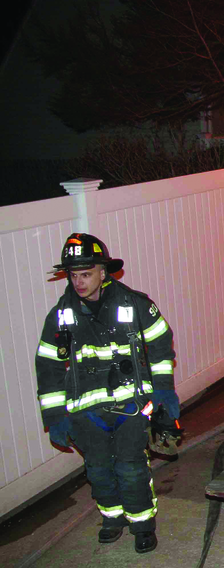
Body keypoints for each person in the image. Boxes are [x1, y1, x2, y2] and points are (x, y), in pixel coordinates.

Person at [35, 233, 179, 554]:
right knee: (98, 468)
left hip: (131, 406)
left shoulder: (135, 304)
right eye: (73, 275)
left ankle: (142, 524)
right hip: (87, 412)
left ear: (103, 271)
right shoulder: (61, 315)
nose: (79, 282)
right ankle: (112, 518)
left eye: (85, 273)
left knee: (130, 466)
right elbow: (48, 367)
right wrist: (55, 415)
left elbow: (159, 345)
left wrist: (164, 394)